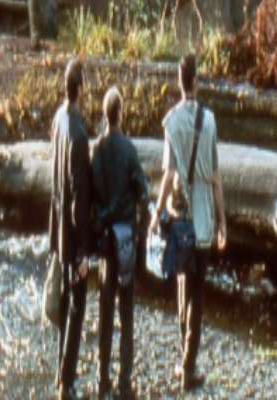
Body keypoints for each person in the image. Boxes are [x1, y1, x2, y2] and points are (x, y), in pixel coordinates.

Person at [153, 53, 227, 392]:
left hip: (180, 216)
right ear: (196, 80)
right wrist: (223, 222)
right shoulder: (209, 122)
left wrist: (157, 212)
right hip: (204, 218)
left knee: (183, 283)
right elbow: (216, 178)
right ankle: (188, 365)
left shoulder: (170, 122)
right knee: (198, 290)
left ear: (179, 82)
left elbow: (168, 174)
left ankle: (184, 356)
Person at [92, 87, 148, 400]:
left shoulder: (97, 149)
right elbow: (142, 190)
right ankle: (124, 382)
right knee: (126, 312)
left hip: (104, 241)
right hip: (125, 238)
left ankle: (103, 380)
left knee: (105, 311)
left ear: (105, 114)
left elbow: (91, 192)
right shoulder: (129, 149)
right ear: (121, 114)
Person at [49, 60, 92, 400]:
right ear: (80, 88)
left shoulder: (58, 119)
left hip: (57, 227)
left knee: (65, 302)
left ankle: (60, 372)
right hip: (72, 235)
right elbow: (80, 198)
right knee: (77, 306)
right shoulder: (78, 134)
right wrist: (84, 252)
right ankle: (67, 382)